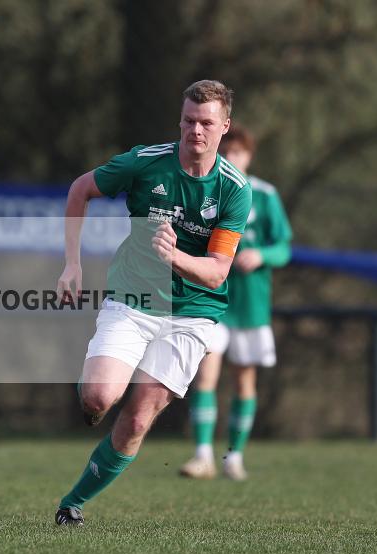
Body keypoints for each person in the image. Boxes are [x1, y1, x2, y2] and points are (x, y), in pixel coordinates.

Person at [54, 80, 252, 526]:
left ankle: (72, 504)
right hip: (134, 297)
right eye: (188, 121)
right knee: (98, 398)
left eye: (206, 123)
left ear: (224, 126)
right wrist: (72, 263)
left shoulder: (234, 189)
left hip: (193, 314)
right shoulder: (146, 162)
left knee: (138, 420)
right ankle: (91, 394)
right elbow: (80, 189)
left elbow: (217, 272)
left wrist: (175, 256)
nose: (195, 130)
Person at [179, 125, 292, 481]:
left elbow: (284, 247)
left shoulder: (265, 195)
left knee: (244, 381)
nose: (231, 158)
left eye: (238, 152)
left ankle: (234, 457)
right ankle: (202, 455)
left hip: (251, 305)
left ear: (249, 156)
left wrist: (261, 255)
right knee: (205, 375)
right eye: (225, 152)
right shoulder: (206, 189)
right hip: (212, 300)